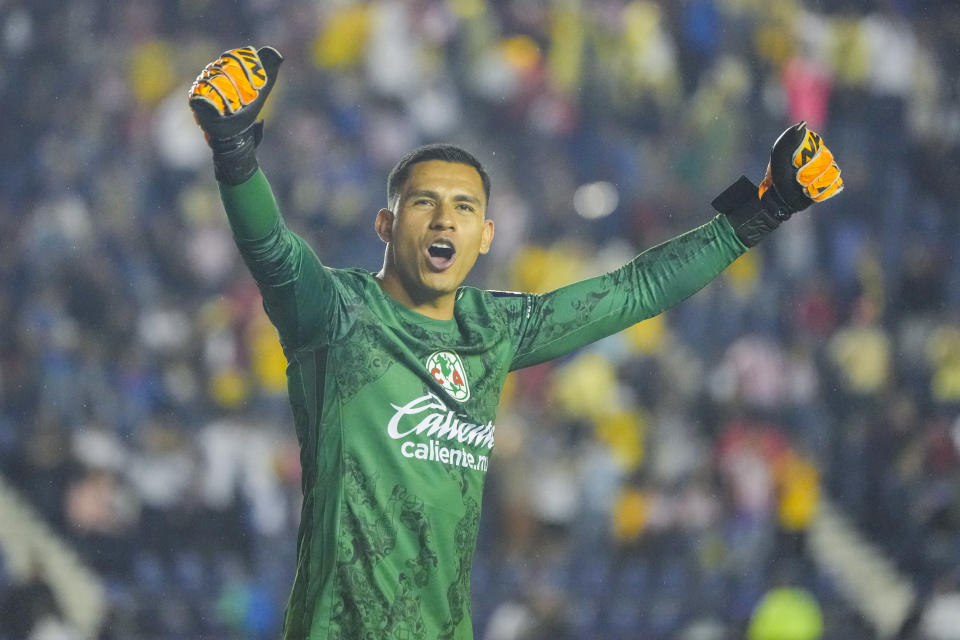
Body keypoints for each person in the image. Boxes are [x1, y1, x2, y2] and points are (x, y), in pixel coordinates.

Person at [187, 46, 843, 640]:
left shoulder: (494, 328)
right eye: (425, 203)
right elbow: (271, 251)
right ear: (386, 224)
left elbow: (635, 290)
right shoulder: (337, 313)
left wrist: (762, 212)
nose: (446, 218)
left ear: (487, 237)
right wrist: (233, 151)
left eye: (465, 207)